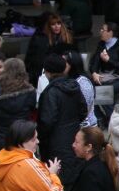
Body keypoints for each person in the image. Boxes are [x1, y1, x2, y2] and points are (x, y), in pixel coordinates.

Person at [36, 54, 86, 182]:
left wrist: (41, 137)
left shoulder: (50, 92)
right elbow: (83, 111)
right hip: (75, 137)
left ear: (47, 72)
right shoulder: (74, 87)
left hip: (56, 143)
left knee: (58, 179)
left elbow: (47, 121)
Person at [24, 13, 75, 83]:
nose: (56, 26)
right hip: (47, 69)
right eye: (53, 24)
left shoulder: (67, 37)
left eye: (58, 23)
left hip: (62, 67)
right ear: (49, 26)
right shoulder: (42, 39)